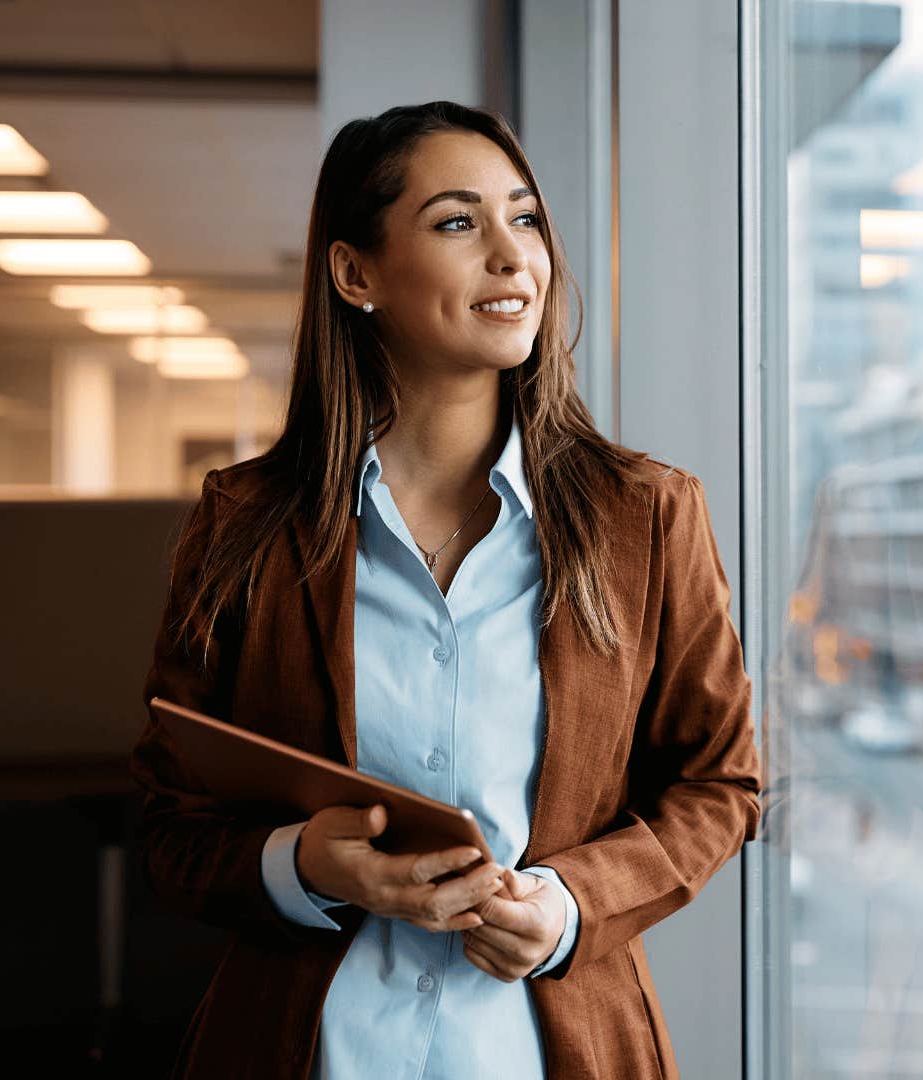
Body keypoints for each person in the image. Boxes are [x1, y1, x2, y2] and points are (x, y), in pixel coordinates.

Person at [128, 101, 762, 1079]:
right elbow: (168, 822)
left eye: (528, 219)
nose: (515, 257)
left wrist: (569, 905)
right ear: (355, 273)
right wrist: (300, 865)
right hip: (311, 1048)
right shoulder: (246, 523)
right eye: (459, 222)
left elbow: (722, 782)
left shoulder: (647, 516)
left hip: (554, 1050)